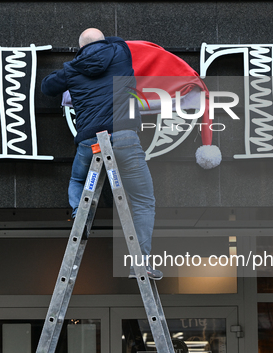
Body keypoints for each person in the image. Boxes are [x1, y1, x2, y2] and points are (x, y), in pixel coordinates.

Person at [41, 28, 162, 280]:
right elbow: (115, 40)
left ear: (80, 48)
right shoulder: (120, 52)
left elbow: (47, 86)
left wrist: (75, 63)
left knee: (77, 180)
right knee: (142, 201)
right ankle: (141, 262)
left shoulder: (72, 68)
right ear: (103, 41)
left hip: (90, 142)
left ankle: (79, 214)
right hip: (125, 138)